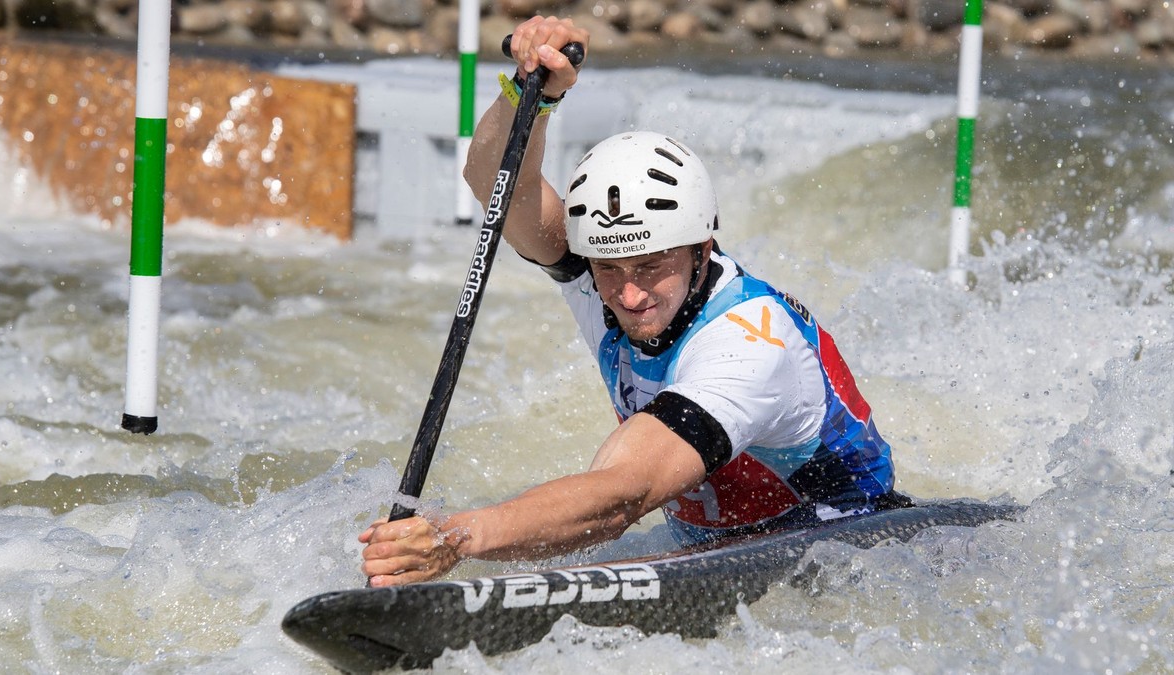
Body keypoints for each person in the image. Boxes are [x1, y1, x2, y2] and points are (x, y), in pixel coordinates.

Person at [359, 15, 905, 586]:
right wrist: (531, 93)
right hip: (716, 550)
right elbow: (495, 181)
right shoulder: (600, 283)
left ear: (702, 248)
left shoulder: (748, 341)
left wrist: (459, 537)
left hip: (845, 550)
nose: (630, 293)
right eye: (610, 268)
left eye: (651, 265)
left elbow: (623, 496)